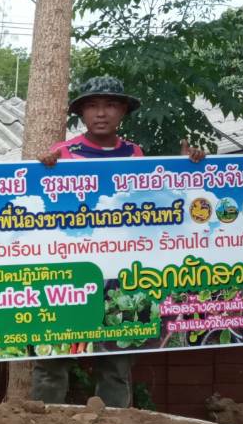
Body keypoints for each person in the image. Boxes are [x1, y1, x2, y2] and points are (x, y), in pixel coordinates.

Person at [32, 75, 207, 407]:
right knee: (51, 363)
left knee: (116, 365)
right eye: (93, 106)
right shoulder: (61, 155)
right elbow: (41, 213)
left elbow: (161, 204)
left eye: (110, 105)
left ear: (123, 111)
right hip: (71, 276)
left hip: (126, 277)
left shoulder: (136, 155)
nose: (101, 113)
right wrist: (43, 171)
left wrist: (188, 168)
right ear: (81, 114)